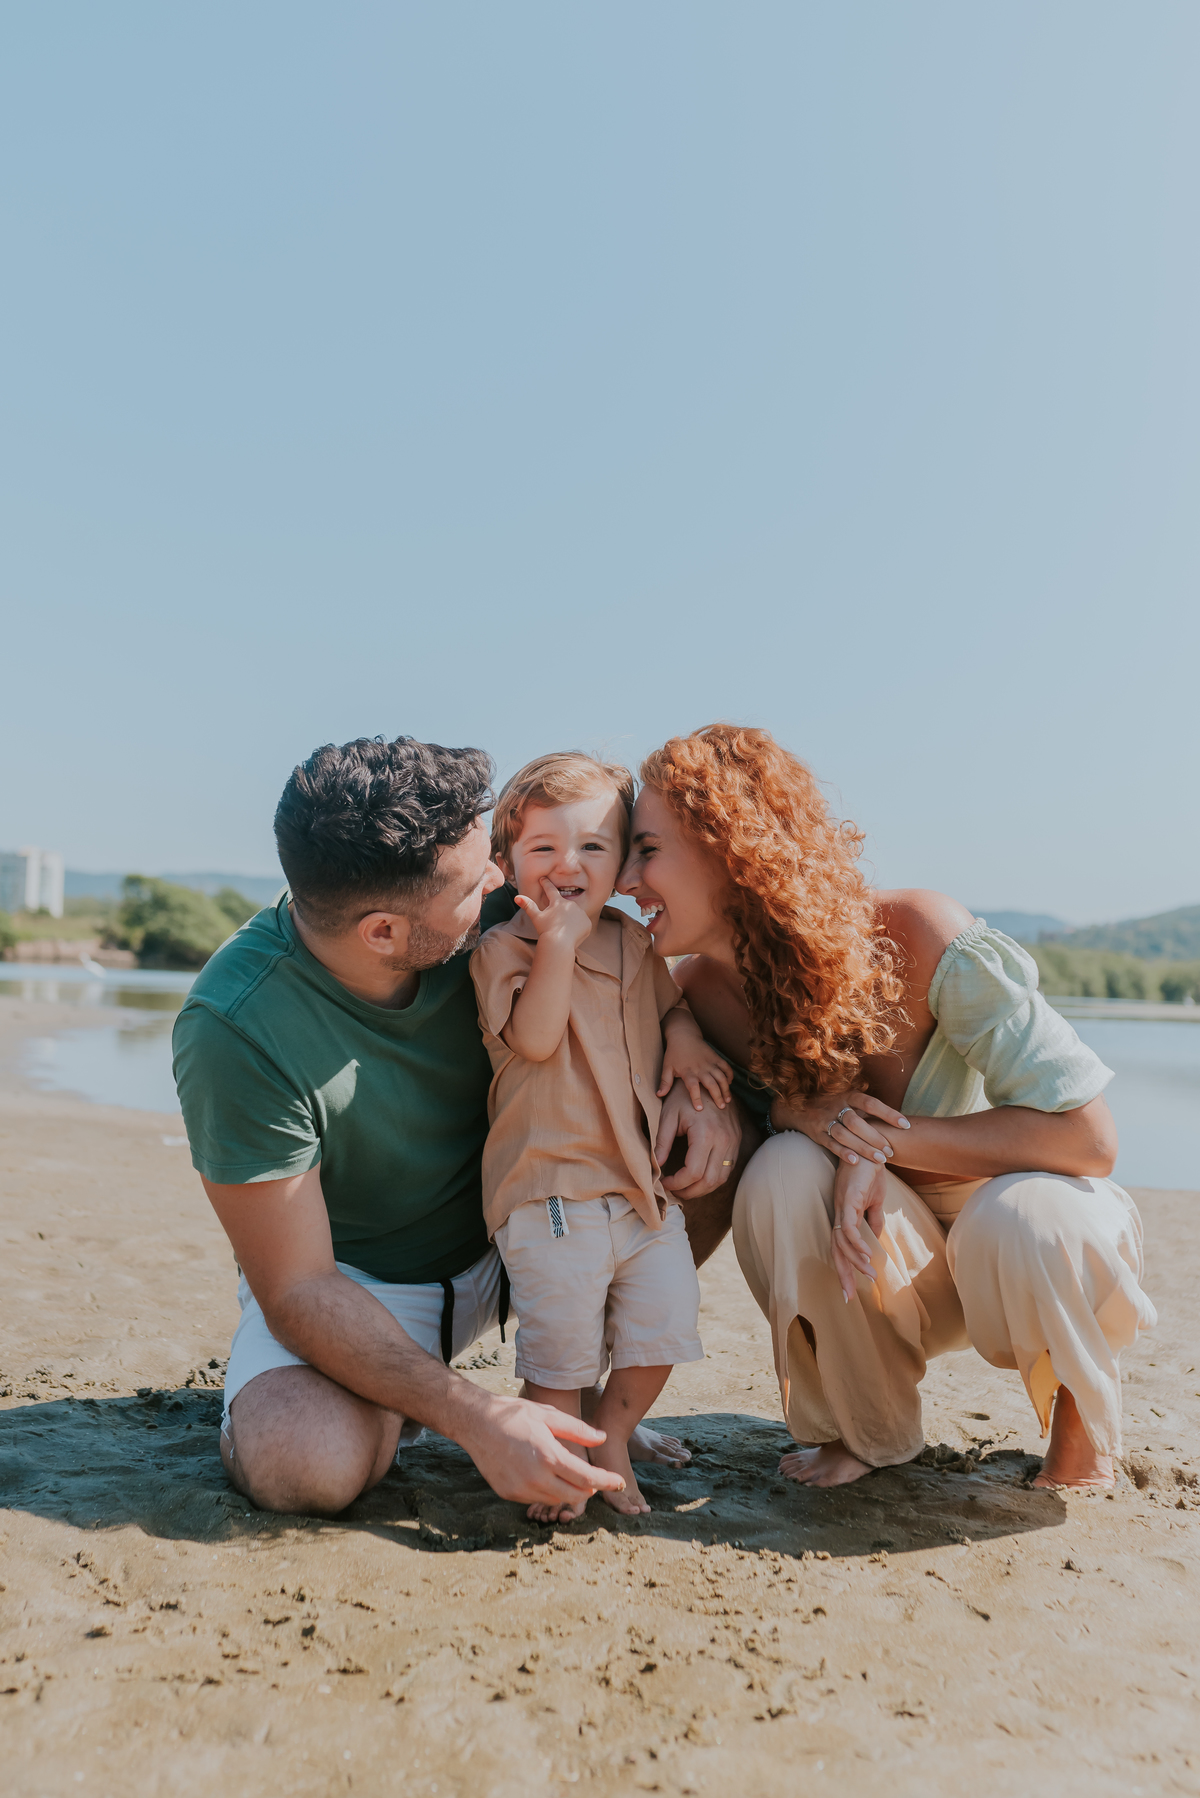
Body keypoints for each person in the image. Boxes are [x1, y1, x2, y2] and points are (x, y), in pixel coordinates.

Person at [171, 735, 741, 1517]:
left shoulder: (510, 893)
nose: (508, 880)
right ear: (384, 933)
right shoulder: (234, 1028)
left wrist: (696, 1084)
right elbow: (298, 1288)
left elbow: (643, 969)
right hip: (370, 1290)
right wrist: (478, 1417)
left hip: (537, 1231)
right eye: (479, 881)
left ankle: (590, 1399)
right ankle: (395, 1396)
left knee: (711, 1150)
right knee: (303, 1462)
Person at [617, 723, 1156, 1493]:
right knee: (782, 1172)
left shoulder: (919, 933)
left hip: (1008, 1249)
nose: (625, 879)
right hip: (886, 1260)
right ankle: (865, 1432)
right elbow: (695, 1195)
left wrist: (878, 1143)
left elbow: (1088, 1138)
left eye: (646, 849)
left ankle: (1080, 1434)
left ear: (725, 845)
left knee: (1033, 1213)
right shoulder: (701, 997)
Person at [471, 753, 732, 1521]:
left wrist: (683, 1035)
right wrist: (557, 942)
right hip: (552, 1188)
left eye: (591, 847)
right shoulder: (504, 950)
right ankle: (554, 1461)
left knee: (662, 1328)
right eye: (543, 848)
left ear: (620, 863)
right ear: (508, 860)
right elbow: (539, 1037)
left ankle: (611, 1434)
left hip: (639, 1194)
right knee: (560, 1354)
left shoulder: (631, 942)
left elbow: (669, 1005)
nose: (567, 866)